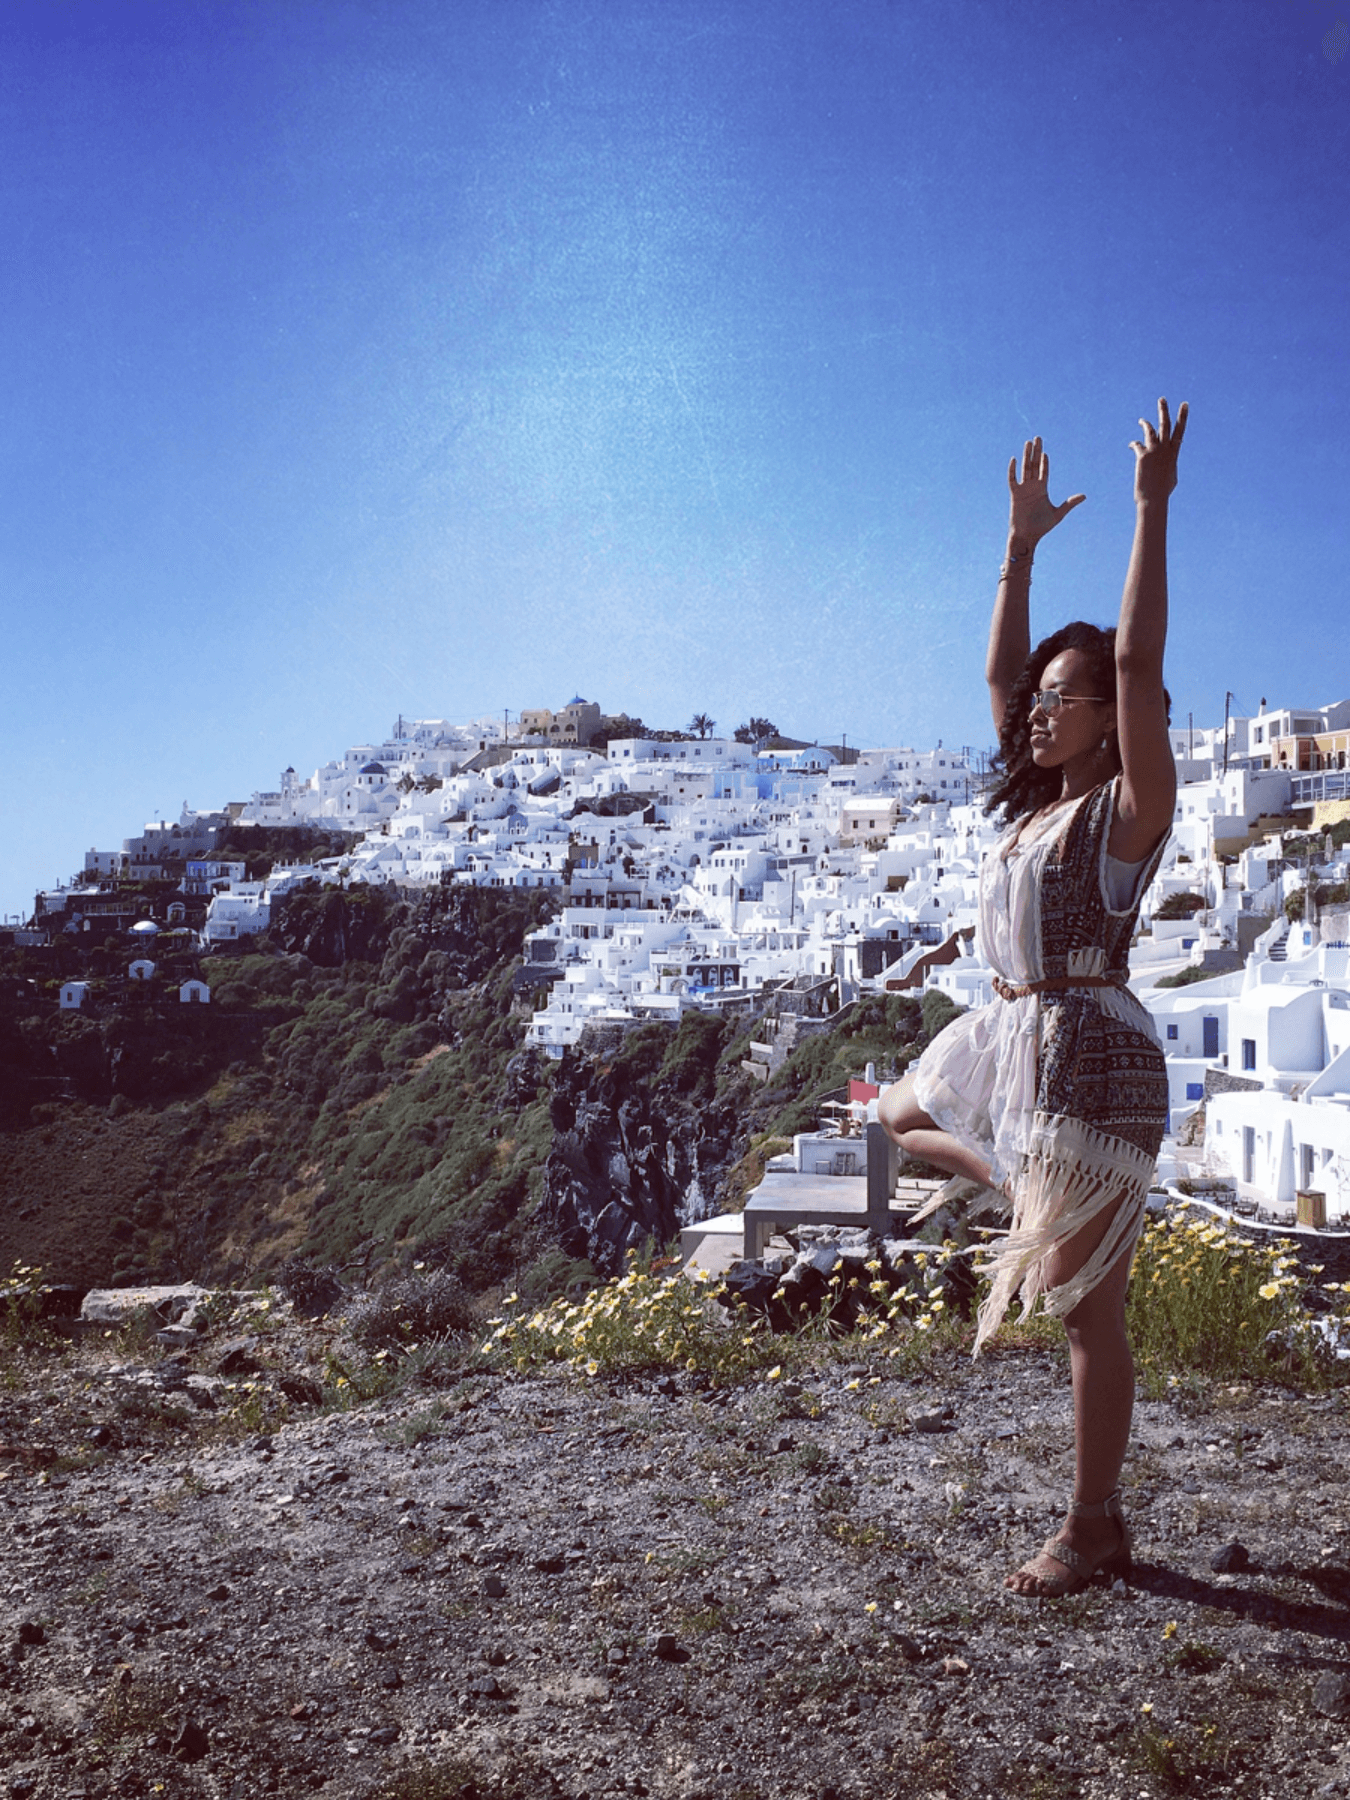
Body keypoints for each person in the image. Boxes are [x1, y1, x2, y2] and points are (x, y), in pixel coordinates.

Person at [878, 397, 1187, 1597]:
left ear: (1116, 718)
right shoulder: (1038, 807)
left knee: (1080, 1318)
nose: (1043, 710)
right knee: (890, 1121)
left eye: (1072, 696)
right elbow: (1001, 675)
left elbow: (1140, 660)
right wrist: (1016, 551)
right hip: (1019, 1040)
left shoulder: (1124, 816)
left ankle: (1093, 1526)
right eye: (1046, 698)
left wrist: (1150, 511)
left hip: (1090, 1058)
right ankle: (1023, 1194)